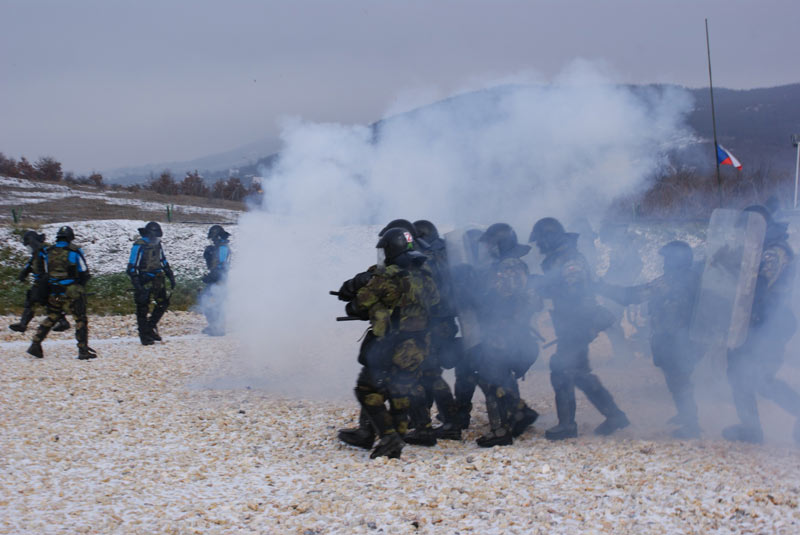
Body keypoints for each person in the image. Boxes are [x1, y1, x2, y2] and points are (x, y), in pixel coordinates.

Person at [340, 227, 439, 459]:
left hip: (392, 344)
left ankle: (388, 437)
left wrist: (372, 303)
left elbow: (356, 306)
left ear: (391, 250)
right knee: (400, 390)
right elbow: (434, 302)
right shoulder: (424, 275)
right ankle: (396, 439)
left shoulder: (386, 278)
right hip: (419, 344)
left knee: (366, 390)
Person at [530, 217, 628, 440]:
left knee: (561, 371)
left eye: (540, 240)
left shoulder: (570, 259)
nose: (539, 245)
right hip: (572, 323)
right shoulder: (560, 258)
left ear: (549, 238)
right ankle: (615, 416)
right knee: (580, 374)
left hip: (577, 323)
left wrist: (542, 286)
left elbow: (575, 293)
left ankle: (567, 425)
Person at [597, 240, 703, 438]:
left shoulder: (671, 281)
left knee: (679, 380)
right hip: (681, 337)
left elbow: (631, 296)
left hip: (676, 338)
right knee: (677, 378)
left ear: (675, 261)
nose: (664, 263)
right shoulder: (692, 278)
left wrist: (602, 287)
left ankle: (691, 425)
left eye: (667, 259)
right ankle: (685, 414)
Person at [723, 205, 800, 444]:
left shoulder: (774, 252)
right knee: (738, 374)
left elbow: (756, 286)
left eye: (746, 229)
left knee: (762, 379)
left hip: (769, 325)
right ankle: (751, 429)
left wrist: (731, 266)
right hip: (753, 323)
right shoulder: (761, 248)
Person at [469, 223, 540, 447]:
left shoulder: (507, 266)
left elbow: (498, 298)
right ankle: (518, 414)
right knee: (501, 375)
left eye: (490, 244)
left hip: (504, 331)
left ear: (498, 245)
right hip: (511, 330)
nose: (486, 248)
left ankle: (500, 430)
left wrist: (472, 292)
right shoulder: (512, 264)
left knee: (491, 377)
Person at [27, 225, 96, 360]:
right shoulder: (74, 250)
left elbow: (46, 272)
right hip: (72, 291)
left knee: (53, 316)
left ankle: (35, 343)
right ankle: (82, 349)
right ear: (70, 237)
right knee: (80, 318)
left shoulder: (49, 251)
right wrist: (80, 286)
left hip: (55, 291)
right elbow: (83, 271)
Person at [9, 231, 69, 333]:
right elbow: (30, 264)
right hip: (43, 281)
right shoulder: (37, 252)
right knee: (44, 302)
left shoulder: (44, 250)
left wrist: (48, 279)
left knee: (35, 301)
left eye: (28, 246)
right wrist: (24, 273)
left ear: (32, 242)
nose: (28, 248)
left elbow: (50, 264)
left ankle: (23, 324)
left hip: (45, 281)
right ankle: (63, 322)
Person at [127, 221, 175, 345]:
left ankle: (150, 327)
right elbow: (132, 265)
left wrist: (170, 274)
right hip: (143, 278)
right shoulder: (139, 245)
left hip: (157, 278)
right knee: (142, 308)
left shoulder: (157, 244)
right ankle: (144, 335)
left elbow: (162, 260)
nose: (157, 239)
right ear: (150, 234)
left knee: (163, 303)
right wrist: (137, 284)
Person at [201, 224, 231, 336]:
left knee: (215, 303)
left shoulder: (222, 248)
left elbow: (221, 266)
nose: (212, 241)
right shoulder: (220, 247)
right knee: (210, 301)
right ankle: (214, 325)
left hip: (219, 279)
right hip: (217, 278)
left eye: (213, 238)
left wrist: (211, 277)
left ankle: (218, 328)